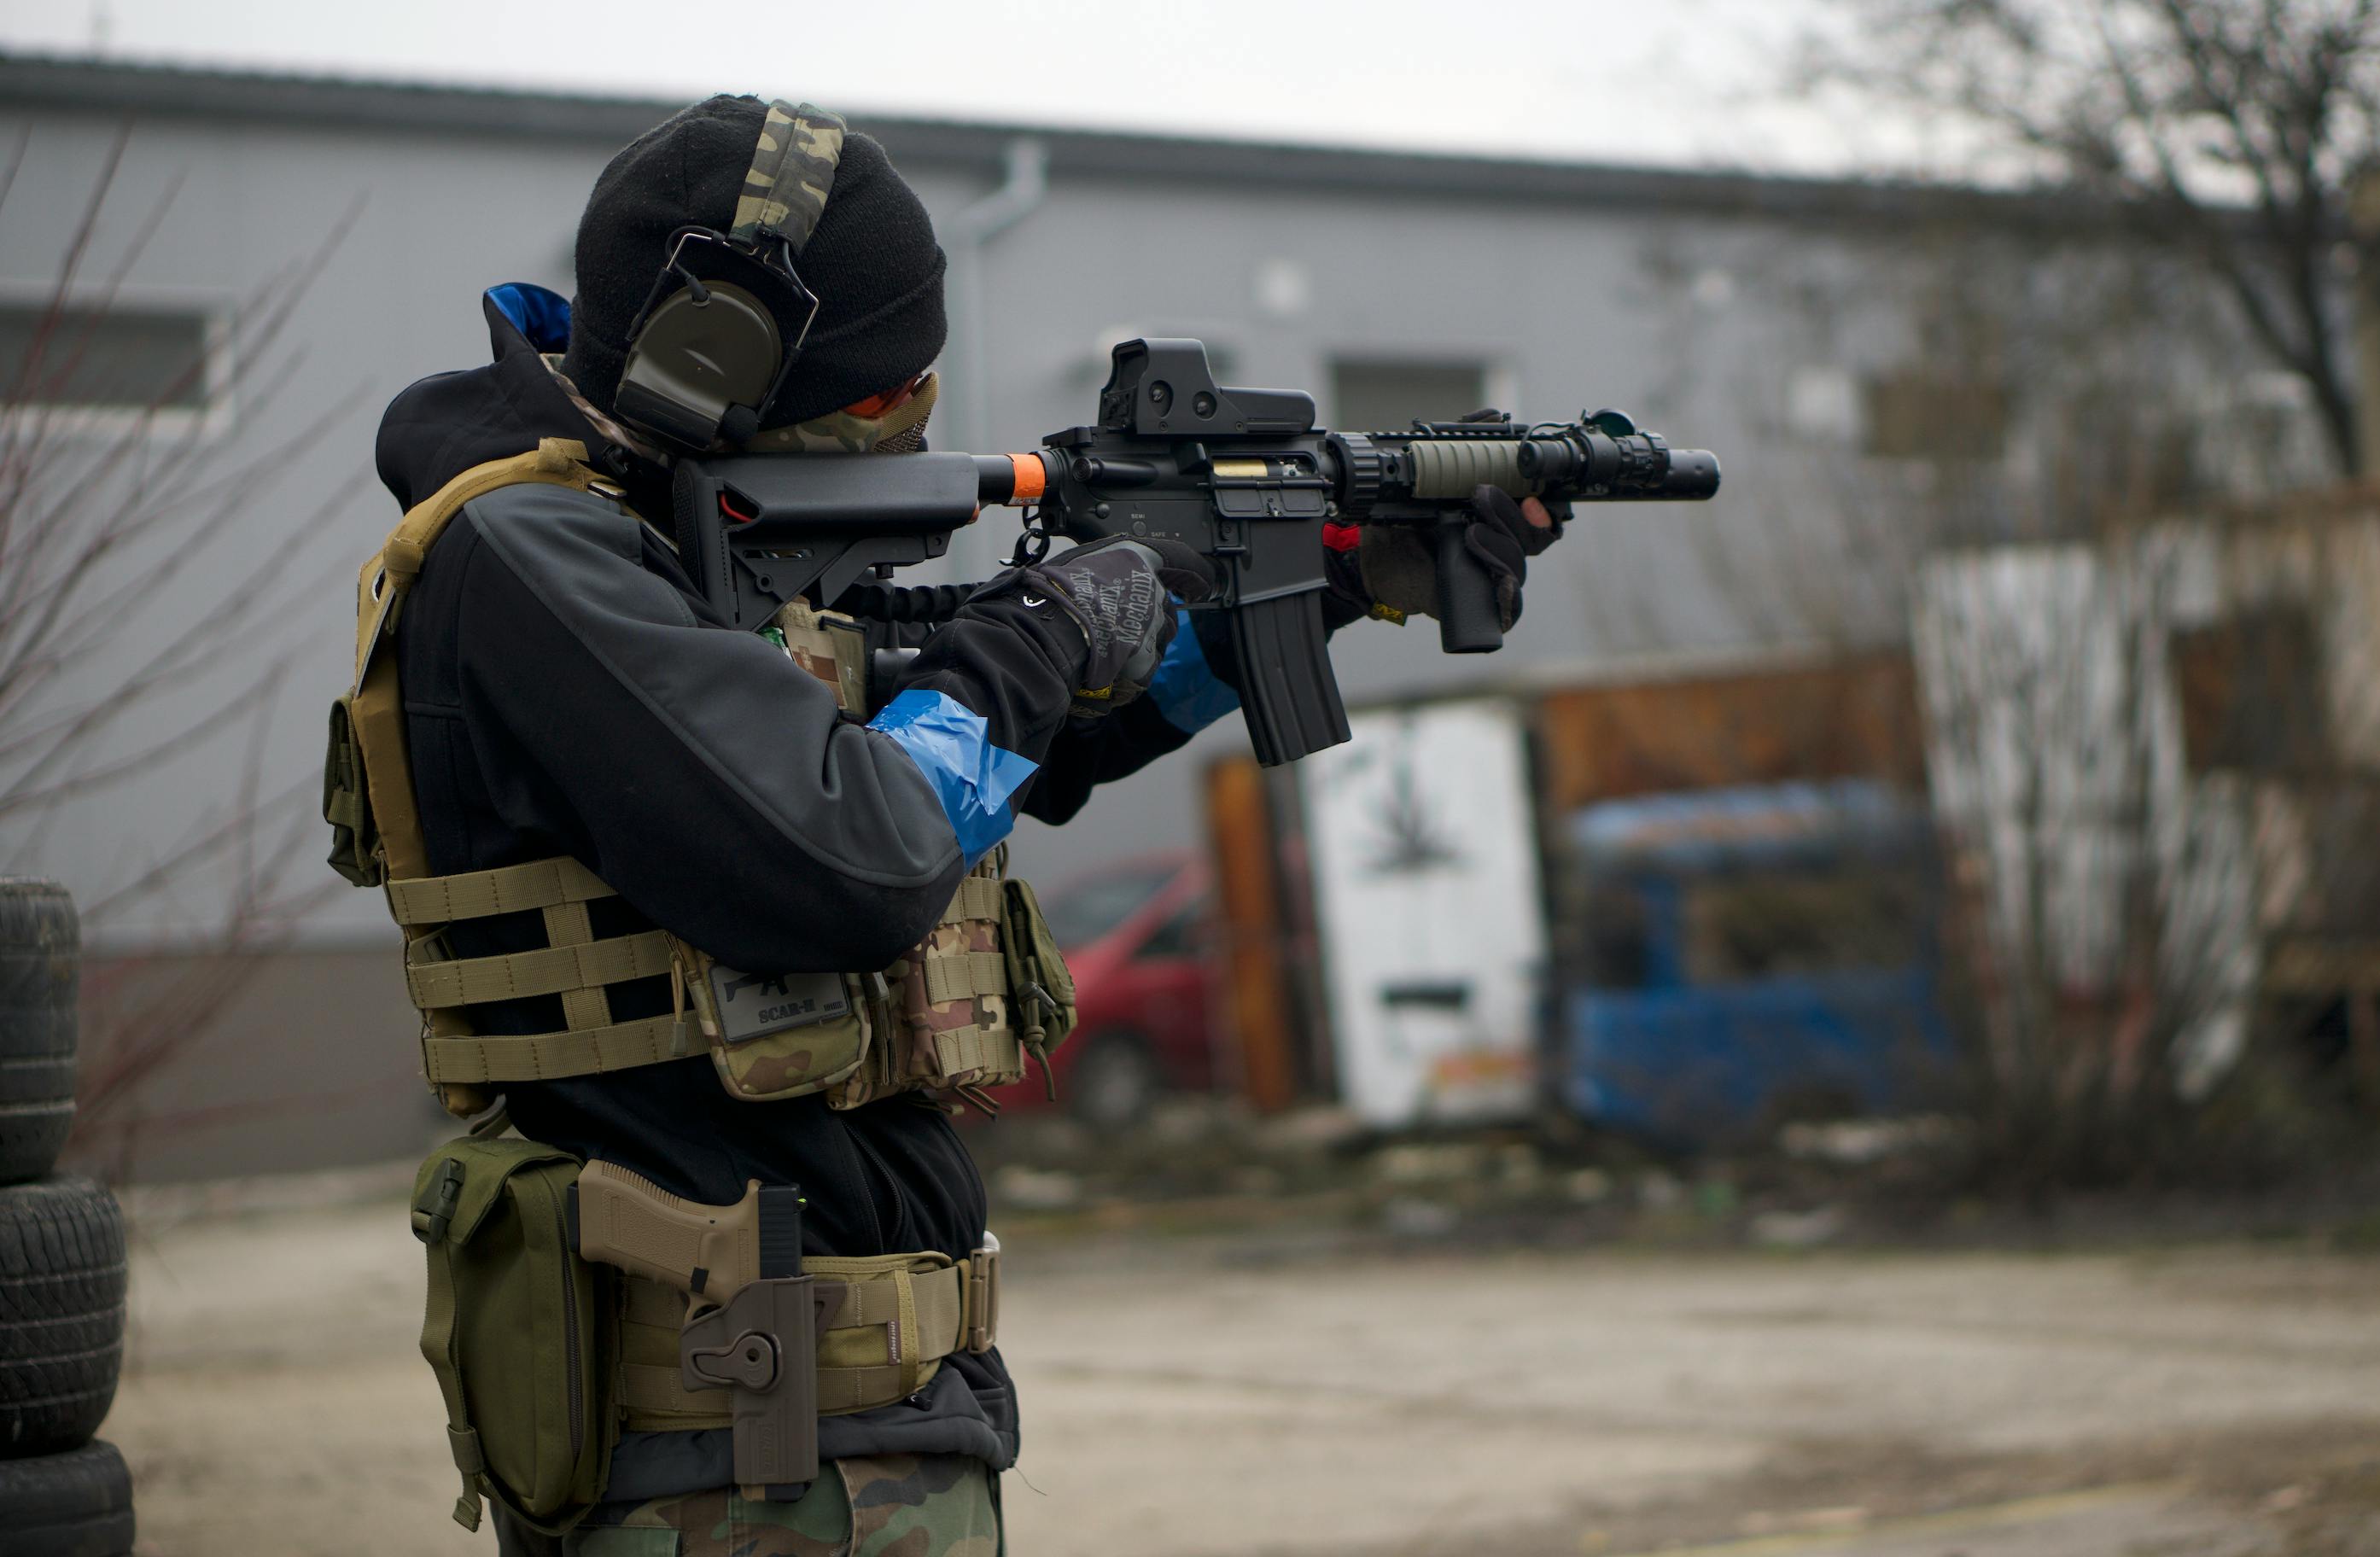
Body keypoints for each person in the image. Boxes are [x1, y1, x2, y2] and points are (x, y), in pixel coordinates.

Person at [341, 94, 1558, 1557]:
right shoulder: (534, 560)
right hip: (730, 1448)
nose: (912, 415)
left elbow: (997, 753)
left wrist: (1320, 586)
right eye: (881, 393)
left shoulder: (669, 550)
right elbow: (862, 852)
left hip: (841, 1425)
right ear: (712, 363)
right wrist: (1045, 626)